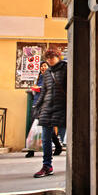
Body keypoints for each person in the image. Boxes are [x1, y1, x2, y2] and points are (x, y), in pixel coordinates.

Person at [33, 48, 67, 178]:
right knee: (46, 139)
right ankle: (47, 166)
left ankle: (76, 164)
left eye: (52, 57)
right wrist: (37, 106)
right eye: (48, 58)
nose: (50, 60)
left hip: (63, 107)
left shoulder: (66, 69)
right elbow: (44, 92)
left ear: (58, 57)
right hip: (48, 108)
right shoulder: (47, 73)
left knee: (68, 139)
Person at [25, 62, 63, 158]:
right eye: (41, 66)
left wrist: (40, 88)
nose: (43, 67)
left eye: (45, 66)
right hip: (37, 104)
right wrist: (35, 89)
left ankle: (31, 150)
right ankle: (57, 146)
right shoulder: (38, 78)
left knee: (44, 126)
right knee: (36, 126)